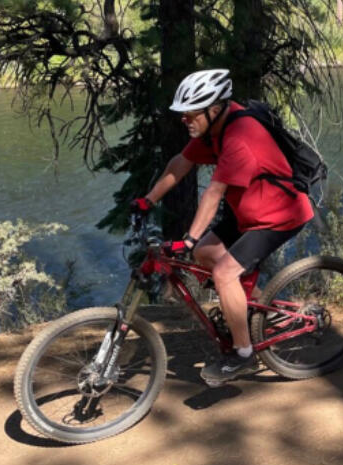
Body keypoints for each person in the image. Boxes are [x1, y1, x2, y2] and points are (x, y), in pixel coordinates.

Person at [132, 69, 314, 385]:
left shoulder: (240, 137)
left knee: (224, 272)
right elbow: (181, 163)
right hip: (248, 210)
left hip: (278, 214)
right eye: (183, 114)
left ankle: (243, 354)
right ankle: (258, 311)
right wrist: (147, 200)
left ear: (214, 109)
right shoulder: (216, 128)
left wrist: (187, 240)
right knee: (206, 253)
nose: (184, 120)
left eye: (191, 114)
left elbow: (214, 193)